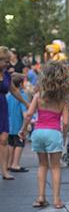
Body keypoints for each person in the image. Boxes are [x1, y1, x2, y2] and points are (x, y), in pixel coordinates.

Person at [18, 61, 69, 209]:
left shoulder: (38, 95)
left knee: (42, 165)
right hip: (54, 133)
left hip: (38, 132)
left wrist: (23, 129)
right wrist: (64, 137)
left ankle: (40, 197)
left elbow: (28, 115)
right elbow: (65, 123)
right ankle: (57, 200)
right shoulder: (63, 100)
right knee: (55, 167)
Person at [0, 46, 30, 180]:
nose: (8, 64)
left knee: (4, 139)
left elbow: (14, 90)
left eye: (8, 61)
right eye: (5, 61)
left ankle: (5, 171)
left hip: (3, 107)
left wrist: (26, 103)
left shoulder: (6, 74)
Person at [6, 73, 29, 173]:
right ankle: (15, 164)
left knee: (11, 144)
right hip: (18, 125)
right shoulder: (22, 96)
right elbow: (25, 114)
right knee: (19, 144)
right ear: (20, 84)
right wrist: (26, 126)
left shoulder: (7, 95)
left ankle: (9, 164)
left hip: (9, 125)